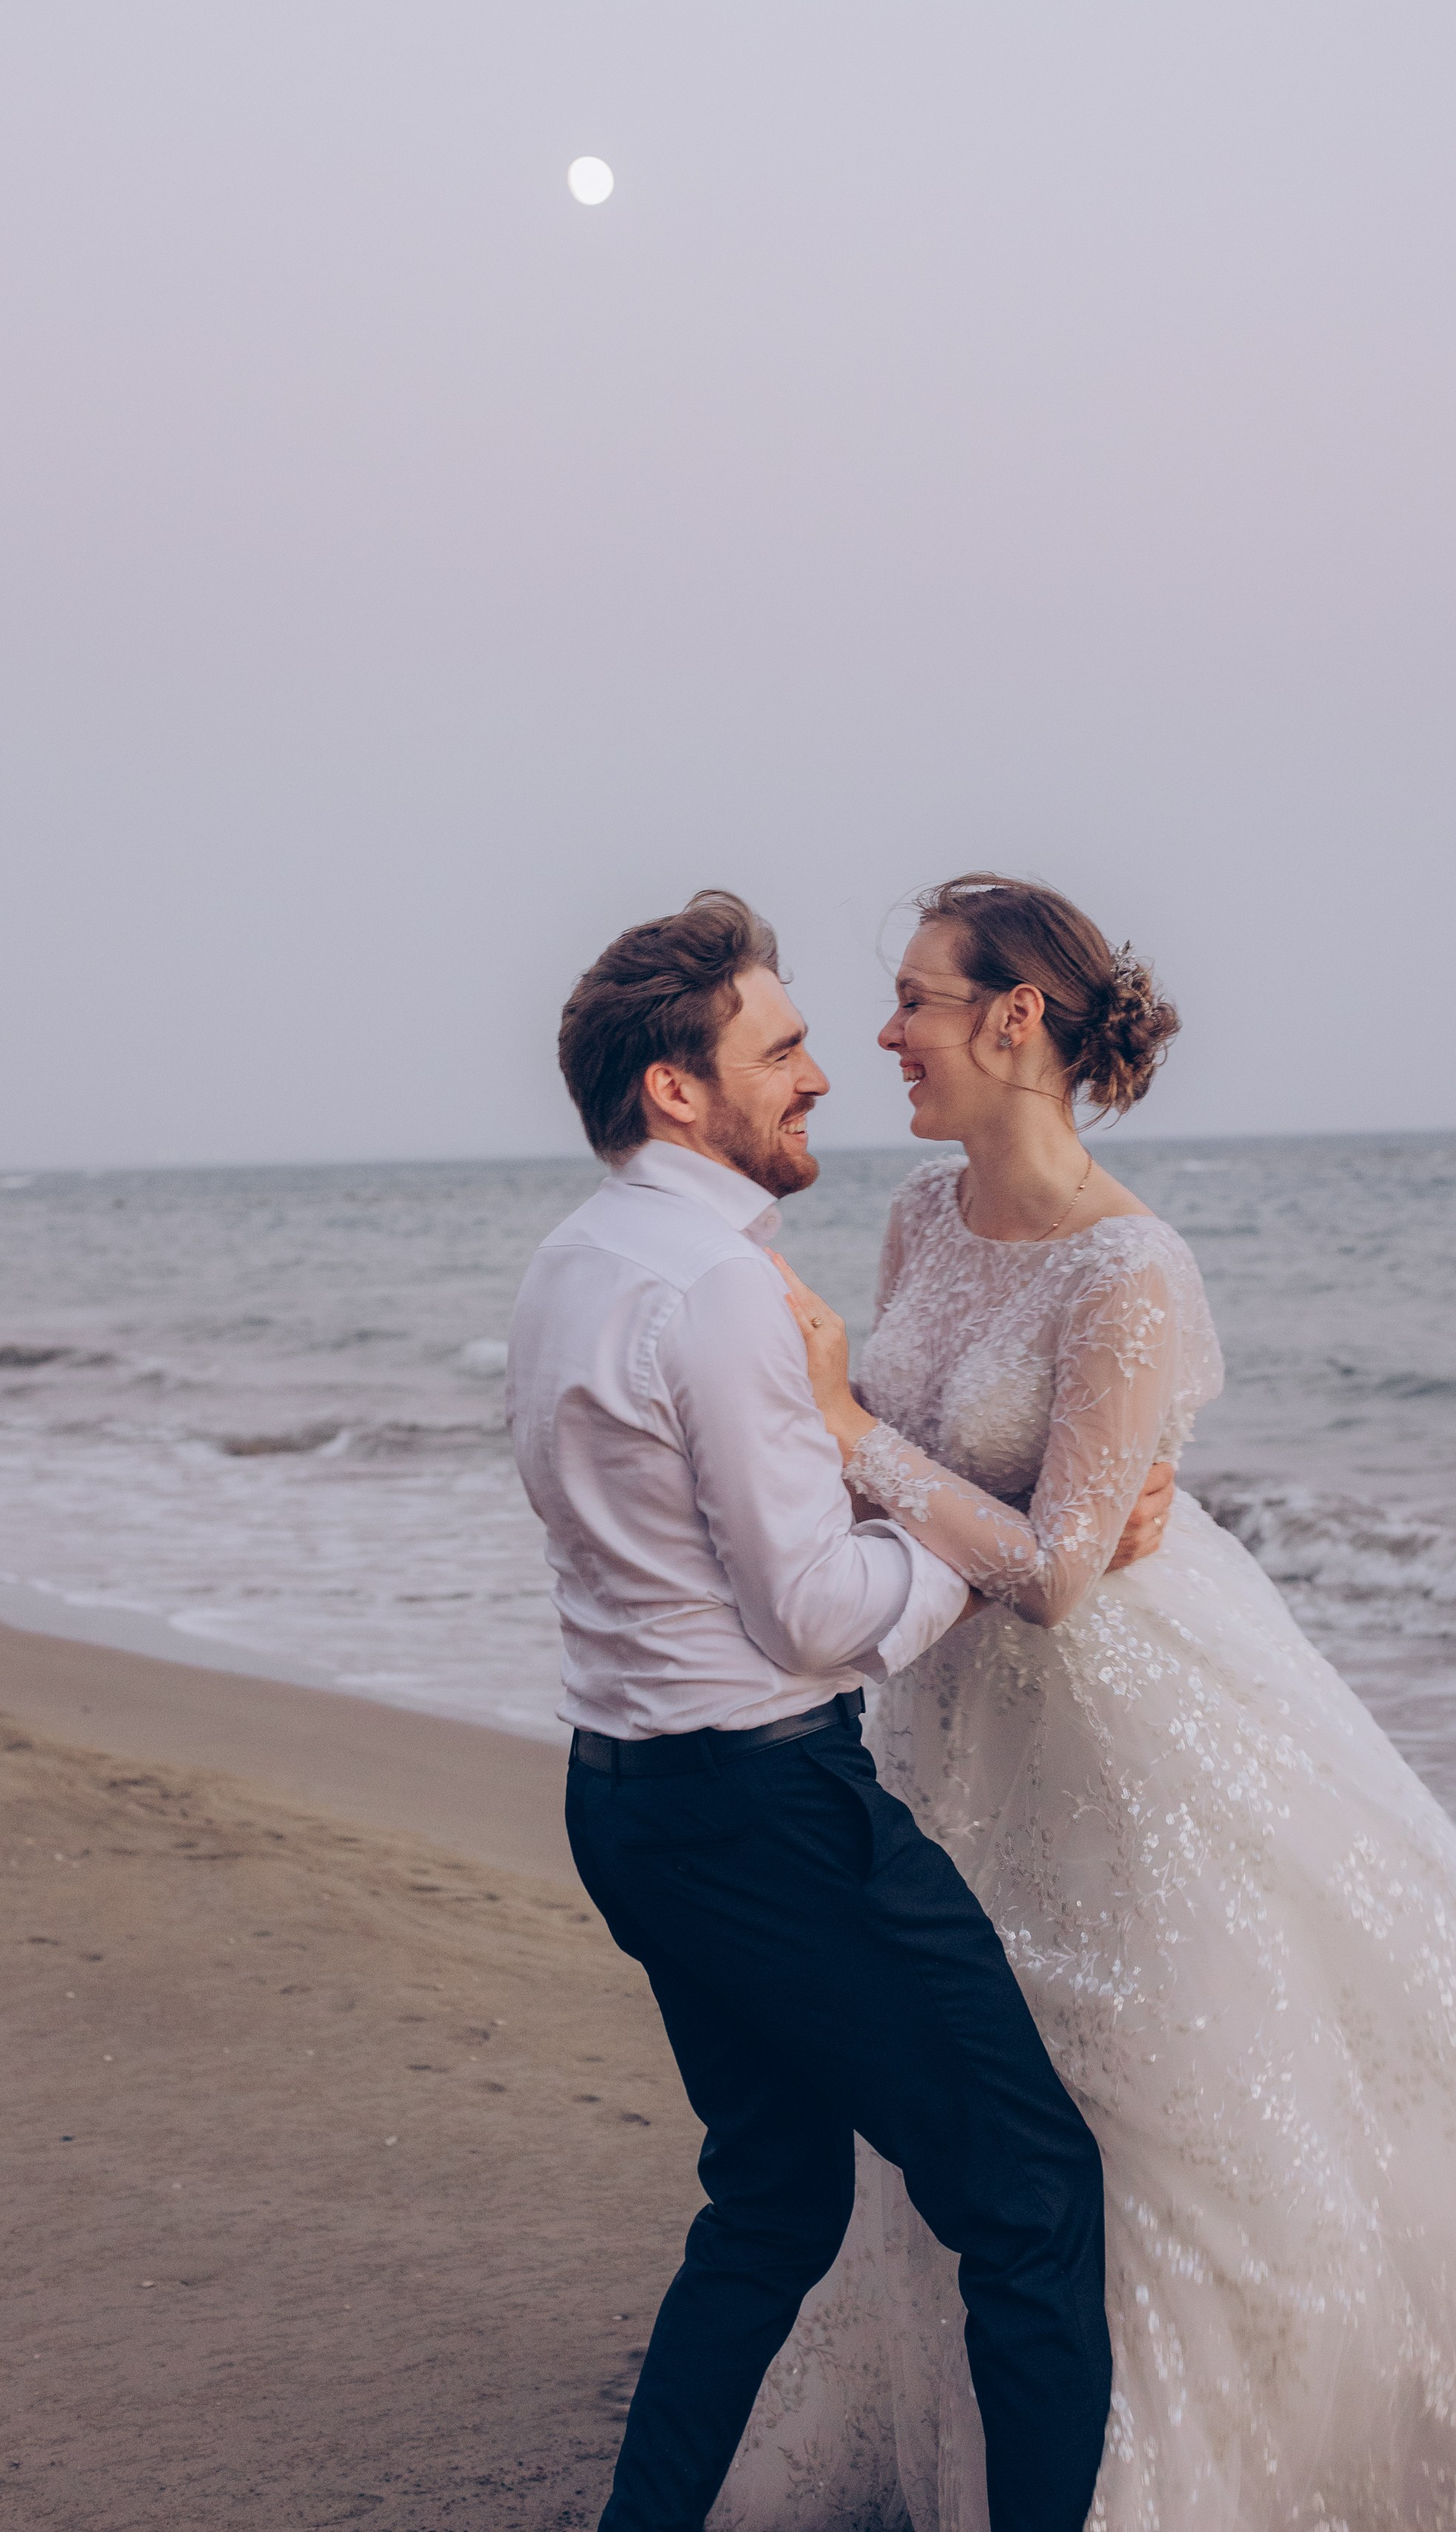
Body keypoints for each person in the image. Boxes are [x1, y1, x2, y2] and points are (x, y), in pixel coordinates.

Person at [716, 871, 1456, 2532]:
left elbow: (1055, 1573)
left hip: (1118, 1726)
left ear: (1014, 1016)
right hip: (951, 1731)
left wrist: (849, 1432)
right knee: (970, 2089)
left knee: (1157, 2096)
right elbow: (936, 1500)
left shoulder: (1133, 1268)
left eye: (913, 998)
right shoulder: (913, 1218)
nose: (883, 1034)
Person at [507, 890, 1171, 2532]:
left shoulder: (572, 1259)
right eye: (784, 1044)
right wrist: (981, 1528)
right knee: (1030, 2194)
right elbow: (810, 1609)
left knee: (773, 2194)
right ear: (680, 1089)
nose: (824, 1071)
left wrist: (894, 1484)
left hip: (624, 1797)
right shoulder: (719, 1289)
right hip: (765, 1814)